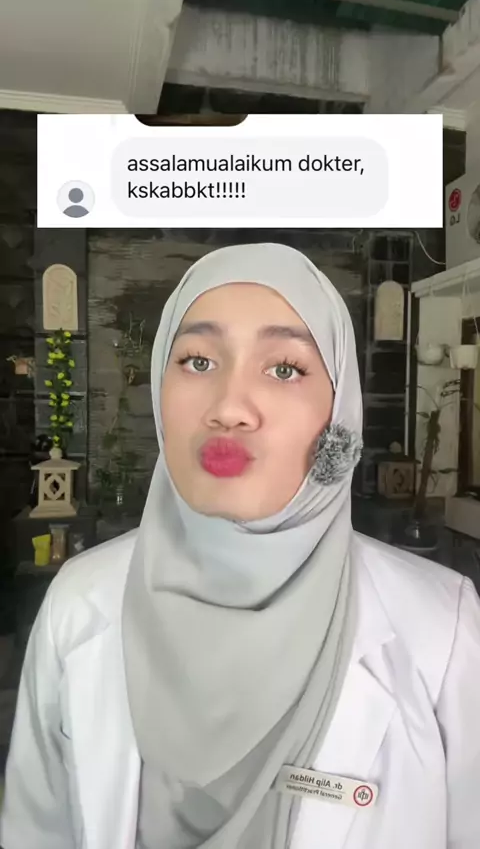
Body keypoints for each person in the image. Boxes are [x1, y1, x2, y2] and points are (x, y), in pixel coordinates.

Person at [1, 242, 480, 849]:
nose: (229, 408)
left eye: (284, 369)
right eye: (198, 361)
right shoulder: (79, 604)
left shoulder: (441, 628)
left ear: (339, 412)